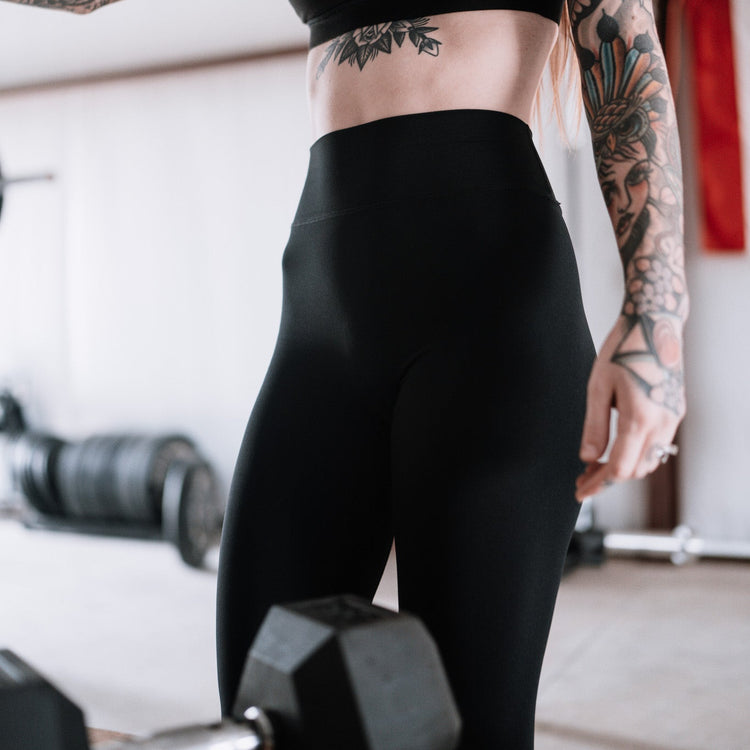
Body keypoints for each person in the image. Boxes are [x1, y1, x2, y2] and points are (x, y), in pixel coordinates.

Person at [6, 0, 688, 746]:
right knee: (264, 706)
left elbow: (627, 62)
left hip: (491, 318)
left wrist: (656, 319)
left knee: (472, 726)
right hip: (322, 324)